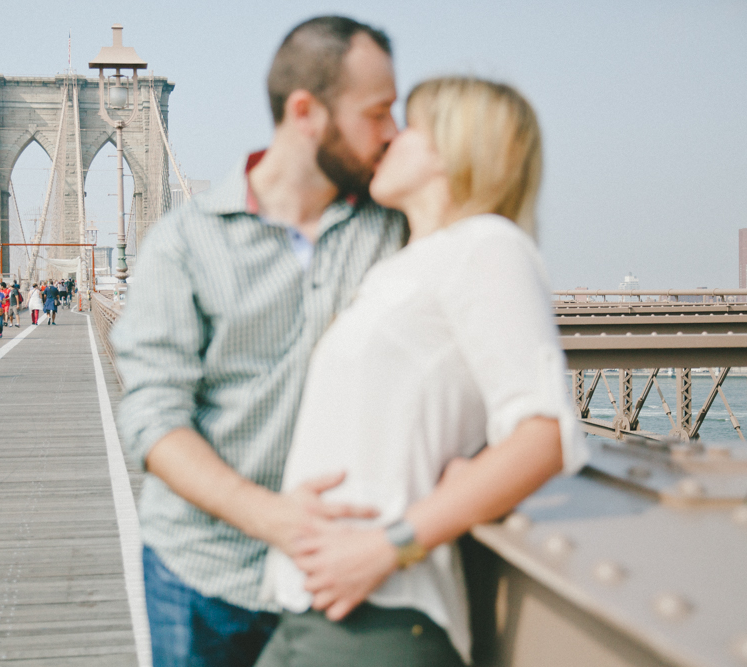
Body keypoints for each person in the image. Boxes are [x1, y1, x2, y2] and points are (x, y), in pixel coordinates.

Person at [256, 78, 589, 667]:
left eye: (407, 126)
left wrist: (392, 544)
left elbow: (543, 435)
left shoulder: (488, 245)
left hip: (377, 614)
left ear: (453, 150)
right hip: (309, 607)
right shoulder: (408, 265)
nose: (387, 139)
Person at [110, 16, 405, 666]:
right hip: (207, 575)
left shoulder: (395, 228)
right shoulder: (184, 243)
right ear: (306, 111)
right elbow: (154, 419)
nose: (394, 133)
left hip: (345, 574)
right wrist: (276, 519)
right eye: (378, 112)